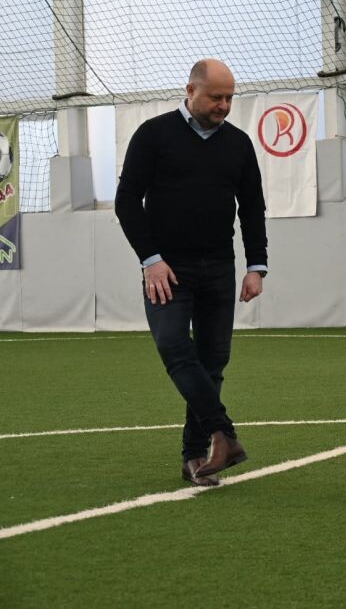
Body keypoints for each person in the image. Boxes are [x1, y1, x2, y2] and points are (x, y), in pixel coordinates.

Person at [115, 59, 268, 487]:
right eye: (216, 97)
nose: (224, 105)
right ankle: (224, 435)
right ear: (190, 90)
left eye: (230, 98)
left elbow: (252, 207)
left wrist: (256, 266)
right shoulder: (153, 135)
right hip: (167, 269)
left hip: (219, 267)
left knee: (213, 361)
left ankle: (194, 456)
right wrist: (151, 259)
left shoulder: (238, 144)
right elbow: (127, 201)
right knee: (173, 345)